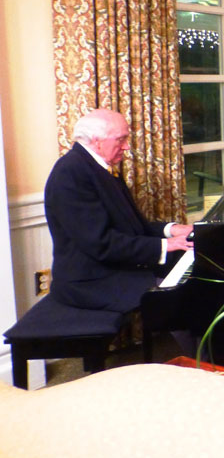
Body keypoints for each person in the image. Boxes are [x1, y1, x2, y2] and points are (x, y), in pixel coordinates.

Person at [45, 109, 194, 314]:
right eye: (120, 139)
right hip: (90, 281)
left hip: (111, 269)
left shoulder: (98, 168)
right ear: (97, 141)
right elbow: (101, 243)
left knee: (193, 279)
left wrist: (173, 230)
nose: (126, 146)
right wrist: (165, 245)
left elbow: (131, 227)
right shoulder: (70, 173)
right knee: (183, 297)